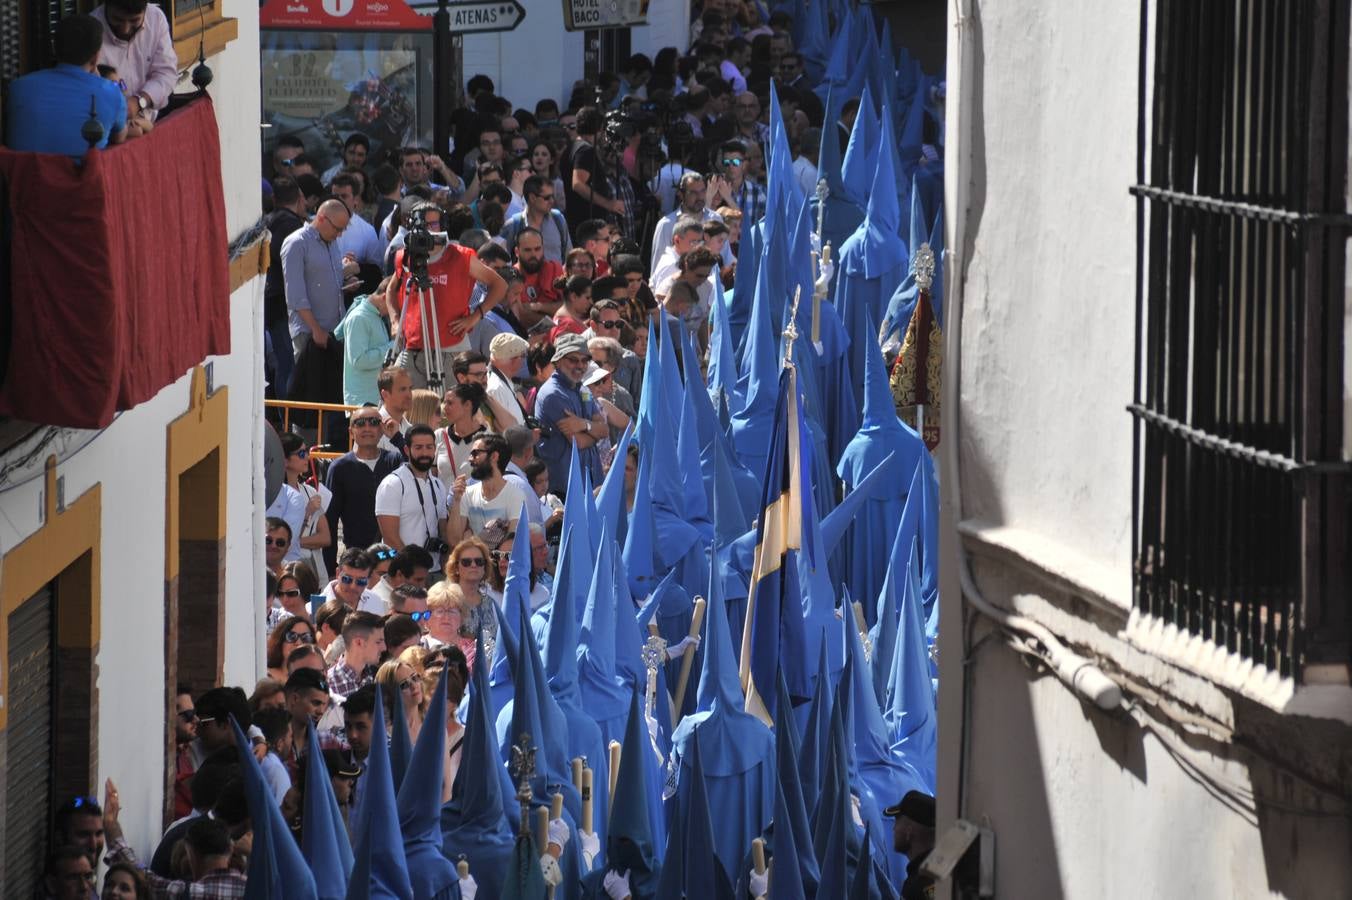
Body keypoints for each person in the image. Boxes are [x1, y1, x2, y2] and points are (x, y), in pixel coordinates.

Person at [388, 203, 507, 390]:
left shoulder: (461, 256)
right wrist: (395, 320)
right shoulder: (405, 256)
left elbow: (500, 285)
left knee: (450, 411)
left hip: (451, 349)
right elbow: (391, 288)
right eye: (422, 224)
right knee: (398, 398)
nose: (427, 230)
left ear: (442, 225)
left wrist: (475, 317)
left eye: (433, 224)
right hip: (412, 348)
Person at [5, 15, 127, 157]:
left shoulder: (17, 88)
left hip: (24, 178)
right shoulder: (111, 93)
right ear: (95, 58)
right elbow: (119, 137)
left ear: (55, 49)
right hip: (78, 178)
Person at [323, 407, 405, 574]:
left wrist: (397, 438)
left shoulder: (395, 461)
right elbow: (330, 520)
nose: (367, 428)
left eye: (374, 423)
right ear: (351, 431)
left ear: (382, 429)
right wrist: (330, 569)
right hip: (357, 557)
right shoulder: (339, 467)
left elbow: (419, 466)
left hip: (391, 556)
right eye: (360, 423)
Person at [535, 333, 608, 492]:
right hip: (566, 488)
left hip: (590, 481)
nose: (580, 366)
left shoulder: (583, 389)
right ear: (558, 361)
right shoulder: (552, 394)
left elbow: (604, 430)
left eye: (584, 360)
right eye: (573, 360)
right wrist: (594, 432)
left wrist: (583, 424)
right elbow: (579, 442)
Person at [375, 424, 451, 572]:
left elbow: (443, 530)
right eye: (418, 447)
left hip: (435, 570)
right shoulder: (392, 484)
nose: (425, 453)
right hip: (404, 572)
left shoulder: (438, 485)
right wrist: (413, 569)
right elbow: (390, 538)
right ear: (406, 450)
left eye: (429, 447)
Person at [91, 0, 176, 122]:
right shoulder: (91, 32)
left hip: (150, 120)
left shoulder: (156, 19)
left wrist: (139, 101)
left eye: (134, 20)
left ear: (145, 9)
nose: (125, 29)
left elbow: (166, 74)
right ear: (106, 5)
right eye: (117, 19)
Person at [447, 433, 528, 543]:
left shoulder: (515, 495)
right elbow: (454, 541)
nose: (470, 459)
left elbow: (512, 544)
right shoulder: (466, 494)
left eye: (476, 453)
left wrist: (472, 540)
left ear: (494, 456)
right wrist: (457, 501)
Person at [334, 279, 395, 408]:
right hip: (363, 403)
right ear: (385, 297)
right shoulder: (359, 317)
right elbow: (360, 360)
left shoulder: (375, 316)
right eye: (393, 304)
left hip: (375, 399)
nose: (394, 310)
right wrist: (393, 347)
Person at [500, 175, 572, 263]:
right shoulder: (513, 225)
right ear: (532, 198)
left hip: (557, 276)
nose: (552, 201)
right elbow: (503, 259)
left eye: (552, 196)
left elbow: (569, 254)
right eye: (547, 198)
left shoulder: (558, 219)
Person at [446, 538, 496, 650]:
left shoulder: (491, 602)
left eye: (479, 561)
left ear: (484, 567)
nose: (473, 565)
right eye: (466, 562)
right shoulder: (447, 600)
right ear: (456, 568)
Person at [434, 383, 488, 488]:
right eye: (444, 402)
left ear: (467, 405)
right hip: (446, 504)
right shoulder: (439, 436)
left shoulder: (487, 438)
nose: (445, 407)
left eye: (450, 403)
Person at [887, 791, 938, 900]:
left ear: (908, 831)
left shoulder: (916, 886)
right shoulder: (942, 871)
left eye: (897, 821)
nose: (894, 828)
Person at [326, 610, 385, 699]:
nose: (384, 647)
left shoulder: (378, 677)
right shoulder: (329, 685)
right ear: (359, 642)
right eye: (378, 642)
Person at [710, 139, 767, 225]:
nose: (731, 166)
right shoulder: (714, 188)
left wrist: (728, 199)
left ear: (744, 164)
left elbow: (764, 224)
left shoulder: (758, 191)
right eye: (726, 162)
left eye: (735, 162)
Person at [376, 657, 427, 743]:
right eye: (404, 684)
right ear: (389, 694)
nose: (414, 686)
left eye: (415, 677)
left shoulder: (435, 723)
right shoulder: (384, 734)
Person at [486, 333, 530, 428]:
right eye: (523, 355)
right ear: (515, 360)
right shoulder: (497, 388)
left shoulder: (499, 381)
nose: (523, 360)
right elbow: (505, 431)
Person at [325, 547, 385, 614]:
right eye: (347, 579)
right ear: (337, 573)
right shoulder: (316, 607)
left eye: (361, 581)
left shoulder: (376, 602)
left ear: (368, 579)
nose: (353, 587)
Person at [252, 707, 294, 802]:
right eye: (291, 736)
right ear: (279, 744)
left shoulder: (250, 754)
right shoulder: (276, 770)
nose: (292, 740)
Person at [376, 365, 414, 452]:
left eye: (410, 388)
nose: (409, 395)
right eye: (402, 389)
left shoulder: (410, 428)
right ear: (385, 394)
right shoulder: (372, 430)